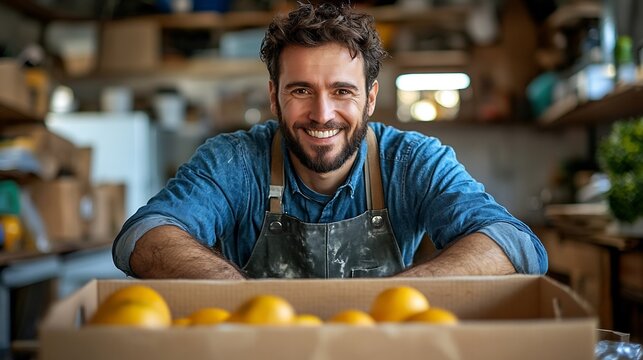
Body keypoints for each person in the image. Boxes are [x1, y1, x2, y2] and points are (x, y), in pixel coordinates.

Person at [112, 2, 548, 280]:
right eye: (301, 90)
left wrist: (408, 290)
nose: (322, 114)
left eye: (342, 91)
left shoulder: (413, 161)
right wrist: (233, 292)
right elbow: (142, 236)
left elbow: (514, 243)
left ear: (371, 98)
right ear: (274, 97)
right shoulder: (235, 161)